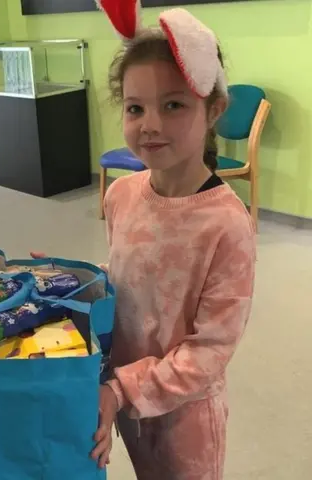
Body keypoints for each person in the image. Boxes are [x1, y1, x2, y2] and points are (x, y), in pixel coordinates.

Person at [35, 4, 256, 479]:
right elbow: (125, 281)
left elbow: (209, 352)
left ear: (213, 109)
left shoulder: (226, 225)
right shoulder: (122, 194)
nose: (149, 124)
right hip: (123, 403)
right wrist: (70, 282)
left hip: (186, 420)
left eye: (173, 104)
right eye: (136, 108)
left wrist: (121, 390)